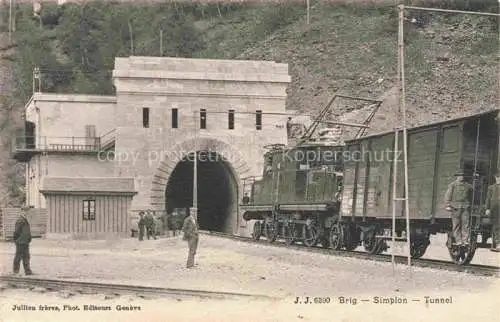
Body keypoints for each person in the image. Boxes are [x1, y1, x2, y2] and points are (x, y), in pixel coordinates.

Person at [444, 171, 473, 246]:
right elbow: (448, 195)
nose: (461, 177)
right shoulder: (452, 185)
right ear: (457, 176)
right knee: (456, 225)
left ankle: (465, 240)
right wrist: (448, 205)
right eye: (460, 175)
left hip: (465, 207)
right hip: (455, 207)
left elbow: (473, 190)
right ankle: (458, 240)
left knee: (465, 225)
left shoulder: (467, 185)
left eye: (462, 175)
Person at [485, 173, 500, 252]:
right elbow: (488, 198)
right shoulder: (491, 188)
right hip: (495, 210)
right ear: (495, 178)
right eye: (497, 177)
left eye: (499, 177)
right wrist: (487, 208)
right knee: (496, 226)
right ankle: (498, 244)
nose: (498, 179)